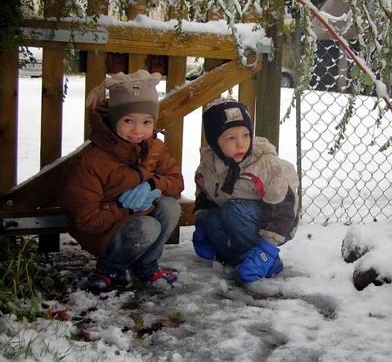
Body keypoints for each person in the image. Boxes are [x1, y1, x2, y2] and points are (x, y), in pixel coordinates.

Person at [62, 70, 184, 293]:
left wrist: (152, 185)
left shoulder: (154, 148)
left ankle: (146, 267)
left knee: (170, 207)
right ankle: (109, 269)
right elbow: (85, 219)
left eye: (146, 122)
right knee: (148, 226)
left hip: (140, 220)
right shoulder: (92, 160)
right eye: (128, 120)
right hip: (104, 231)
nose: (138, 130)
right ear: (113, 119)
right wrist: (121, 207)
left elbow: (176, 181)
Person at [193, 98, 299, 283]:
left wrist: (267, 247)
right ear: (215, 141)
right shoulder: (209, 166)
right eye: (231, 138)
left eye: (245, 135)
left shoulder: (266, 165)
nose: (241, 144)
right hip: (236, 219)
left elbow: (283, 207)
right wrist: (202, 227)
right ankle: (238, 258)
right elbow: (205, 196)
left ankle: (267, 259)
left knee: (234, 209)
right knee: (212, 218)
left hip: (276, 223)